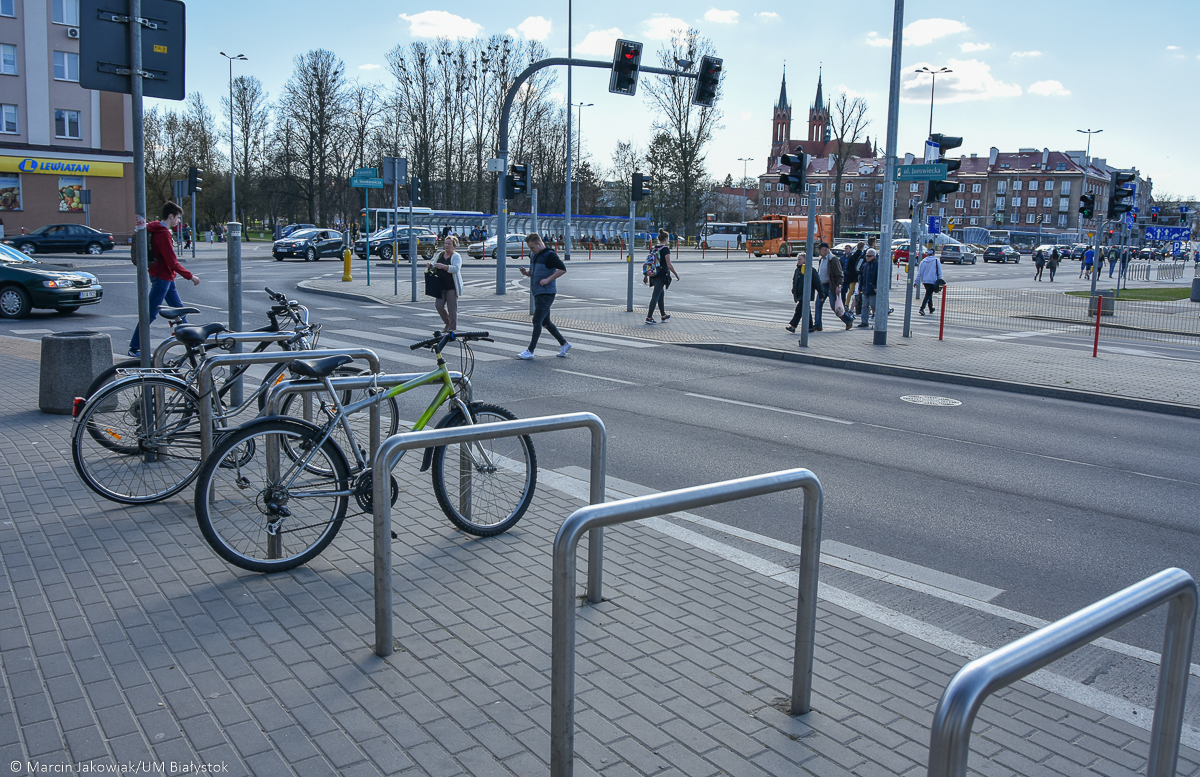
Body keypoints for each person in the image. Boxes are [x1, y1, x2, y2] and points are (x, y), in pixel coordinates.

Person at [128, 201, 200, 357]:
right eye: (178, 218)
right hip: (162, 277)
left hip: (164, 276)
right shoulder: (163, 233)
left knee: (180, 310)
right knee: (150, 313)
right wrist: (190, 276)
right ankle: (134, 347)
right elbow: (171, 261)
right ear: (171, 216)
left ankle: (191, 342)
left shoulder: (157, 228)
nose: (178, 221)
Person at [517, 233, 571, 359]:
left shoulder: (550, 255)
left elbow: (562, 269)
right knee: (545, 322)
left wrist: (548, 279)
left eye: (532, 247)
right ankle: (564, 343)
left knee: (537, 320)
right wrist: (527, 273)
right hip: (537, 291)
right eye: (529, 248)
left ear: (539, 244)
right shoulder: (534, 255)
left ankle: (530, 351)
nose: (531, 250)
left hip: (547, 293)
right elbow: (535, 272)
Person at [814, 242, 855, 331]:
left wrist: (839, 285)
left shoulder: (833, 259)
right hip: (822, 286)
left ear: (826, 250)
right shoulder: (822, 260)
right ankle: (817, 324)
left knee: (835, 307)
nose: (819, 251)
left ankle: (848, 320)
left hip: (831, 286)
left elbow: (839, 274)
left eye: (820, 249)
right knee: (818, 304)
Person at [427, 235, 463, 332]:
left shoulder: (456, 256)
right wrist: (431, 266)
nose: (446, 246)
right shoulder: (440, 254)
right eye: (445, 243)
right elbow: (435, 265)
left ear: (454, 246)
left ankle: (452, 329)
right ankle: (447, 322)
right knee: (439, 305)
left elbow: (456, 269)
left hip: (452, 286)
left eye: (449, 244)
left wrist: (444, 266)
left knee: (452, 308)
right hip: (440, 286)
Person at [644, 229, 680, 324]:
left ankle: (663, 315)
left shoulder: (653, 248)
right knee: (655, 296)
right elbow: (669, 264)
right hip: (661, 275)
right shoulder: (665, 249)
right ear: (666, 239)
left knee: (660, 295)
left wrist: (646, 275)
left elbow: (649, 263)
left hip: (653, 274)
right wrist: (676, 274)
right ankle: (649, 317)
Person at [785, 255, 809, 334]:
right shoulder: (797, 270)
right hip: (799, 293)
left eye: (800, 259)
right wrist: (793, 290)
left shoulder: (808, 269)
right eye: (798, 259)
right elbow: (794, 281)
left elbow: (816, 282)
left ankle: (793, 326)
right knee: (806, 310)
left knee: (799, 310)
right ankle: (811, 327)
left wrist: (821, 293)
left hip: (805, 294)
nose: (798, 261)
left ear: (805, 260)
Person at [916, 246, 943, 316]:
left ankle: (931, 308)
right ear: (934, 253)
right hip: (933, 280)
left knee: (929, 293)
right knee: (928, 294)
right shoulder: (936, 260)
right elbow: (939, 271)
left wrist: (916, 281)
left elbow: (919, 273)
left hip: (925, 281)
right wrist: (940, 280)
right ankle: (922, 308)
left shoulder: (923, 261)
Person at [857, 248, 879, 328]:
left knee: (874, 305)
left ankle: (878, 321)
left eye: (869, 256)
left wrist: (876, 287)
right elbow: (862, 278)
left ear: (874, 256)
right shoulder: (865, 265)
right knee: (864, 306)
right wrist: (860, 288)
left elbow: (878, 277)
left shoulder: (877, 265)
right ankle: (864, 322)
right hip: (865, 289)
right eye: (867, 256)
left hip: (873, 290)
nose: (867, 257)